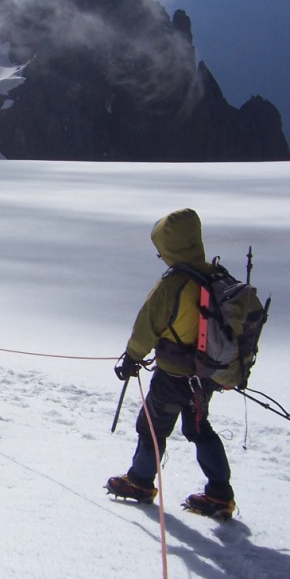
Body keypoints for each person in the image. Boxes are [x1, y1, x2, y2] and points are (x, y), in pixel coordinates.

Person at [106, 209, 237, 519]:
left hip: (174, 373)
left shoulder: (174, 283)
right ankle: (220, 494)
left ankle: (140, 481)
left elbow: (147, 326)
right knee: (198, 427)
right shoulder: (213, 274)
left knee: (151, 426)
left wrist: (132, 358)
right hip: (205, 374)